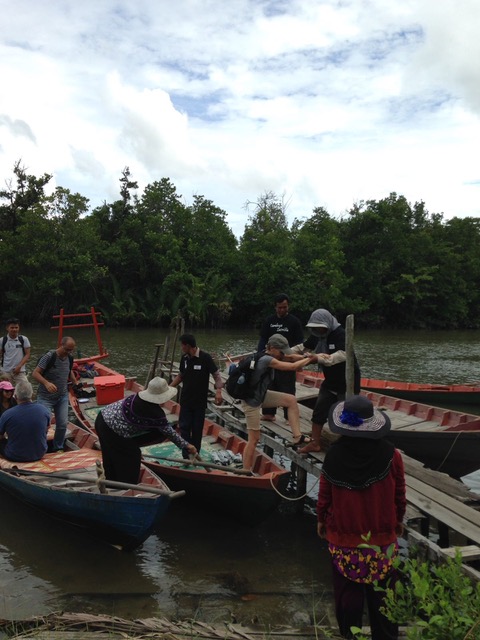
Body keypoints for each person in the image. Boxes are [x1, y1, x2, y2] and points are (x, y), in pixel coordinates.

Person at [317, 395, 406, 639]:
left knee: (348, 599)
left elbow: (325, 495)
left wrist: (322, 520)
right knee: (385, 599)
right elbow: (399, 492)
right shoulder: (392, 454)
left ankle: (350, 635)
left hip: (345, 537)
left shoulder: (334, 455)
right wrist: (398, 519)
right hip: (381, 538)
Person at [95, 376, 197, 484]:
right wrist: (187, 445)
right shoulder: (155, 412)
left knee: (110, 454)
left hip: (101, 419)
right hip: (111, 429)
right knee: (132, 455)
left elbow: (163, 430)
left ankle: (112, 482)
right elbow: (169, 433)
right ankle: (127, 485)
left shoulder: (139, 398)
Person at [241, 333, 316, 472]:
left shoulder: (272, 354)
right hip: (251, 401)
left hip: (261, 395)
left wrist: (309, 357)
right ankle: (245, 471)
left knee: (291, 400)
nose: (283, 354)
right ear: (272, 348)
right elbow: (290, 367)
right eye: (281, 351)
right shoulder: (265, 359)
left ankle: (297, 437)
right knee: (254, 439)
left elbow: (291, 357)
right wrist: (310, 360)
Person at [292, 309, 361, 454]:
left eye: (320, 326)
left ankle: (350, 447)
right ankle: (315, 443)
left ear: (327, 323)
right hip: (330, 381)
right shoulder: (318, 335)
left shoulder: (340, 334)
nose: (318, 329)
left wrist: (318, 358)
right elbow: (303, 347)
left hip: (347, 382)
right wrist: (284, 351)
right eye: (315, 327)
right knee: (319, 412)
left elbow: (343, 354)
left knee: (348, 416)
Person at [169, 334, 223, 458]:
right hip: (186, 400)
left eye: (182, 345)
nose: (181, 347)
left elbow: (216, 375)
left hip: (199, 402)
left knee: (197, 430)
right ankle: (186, 455)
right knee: (184, 428)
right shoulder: (185, 358)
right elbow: (181, 375)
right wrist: (169, 388)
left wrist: (219, 391)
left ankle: (195, 454)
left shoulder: (205, 358)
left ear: (188, 345)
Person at [257, 293, 304, 422]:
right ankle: (268, 413)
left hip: (287, 358)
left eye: (284, 307)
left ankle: (289, 416)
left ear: (288, 306)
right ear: (275, 307)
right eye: (279, 307)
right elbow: (262, 340)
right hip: (270, 359)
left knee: (287, 388)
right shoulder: (269, 321)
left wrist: (296, 359)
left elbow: (300, 343)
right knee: (269, 385)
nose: (282, 310)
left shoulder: (294, 322)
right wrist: (259, 355)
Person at [32, 336, 77, 452]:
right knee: (43, 424)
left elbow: (69, 370)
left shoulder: (69, 358)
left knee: (62, 424)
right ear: (61, 345)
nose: (68, 352)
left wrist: (75, 382)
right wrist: (46, 383)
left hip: (62, 396)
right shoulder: (49, 356)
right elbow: (35, 373)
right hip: (45, 397)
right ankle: (40, 447)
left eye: (71, 350)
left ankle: (58, 447)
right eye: (66, 349)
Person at [0, 380, 51, 462]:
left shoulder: (7, 414)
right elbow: (47, 428)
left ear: (15, 396)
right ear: (32, 395)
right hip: (40, 453)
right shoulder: (44, 410)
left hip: (15, 455)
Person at [0, 318, 31, 384]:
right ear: (7, 328)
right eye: (12, 327)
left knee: (26, 389)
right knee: (5, 391)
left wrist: (19, 366)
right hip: (6, 371)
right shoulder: (2, 340)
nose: (14, 329)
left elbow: (27, 354)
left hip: (20, 371)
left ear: (19, 328)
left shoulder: (23, 339)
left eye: (16, 327)